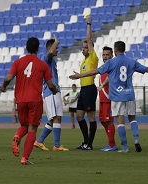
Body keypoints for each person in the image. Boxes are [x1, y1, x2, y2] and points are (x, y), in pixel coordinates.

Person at [69, 41, 148, 152]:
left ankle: (125, 147)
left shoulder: (111, 62)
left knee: (120, 122)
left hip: (117, 96)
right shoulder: (131, 62)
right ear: (124, 49)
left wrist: (79, 75)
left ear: (114, 50)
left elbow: (95, 71)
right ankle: (136, 139)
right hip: (129, 94)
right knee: (132, 118)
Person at [0, 37, 58, 165]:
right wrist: (55, 91)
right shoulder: (42, 64)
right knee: (32, 129)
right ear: (38, 49)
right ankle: (24, 158)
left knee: (24, 126)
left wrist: (4, 85)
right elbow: (50, 84)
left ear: (27, 48)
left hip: (20, 100)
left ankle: (17, 136)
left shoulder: (18, 62)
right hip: (35, 100)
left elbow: (9, 77)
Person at [34, 36, 69, 152]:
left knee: (53, 119)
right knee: (56, 117)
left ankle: (39, 141)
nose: (57, 50)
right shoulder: (46, 58)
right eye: (56, 48)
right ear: (50, 48)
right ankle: (57, 145)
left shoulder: (52, 61)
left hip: (54, 91)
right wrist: (56, 42)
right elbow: (49, 53)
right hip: (51, 91)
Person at [74, 15, 98, 150]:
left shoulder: (93, 58)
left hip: (89, 89)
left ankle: (89, 144)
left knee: (91, 116)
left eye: (85, 47)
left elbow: (89, 39)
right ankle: (86, 141)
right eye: (83, 47)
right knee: (79, 116)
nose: (83, 49)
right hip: (83, 90)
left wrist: (89, 23)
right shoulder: (83, 61)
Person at [98, 47, 118, 152]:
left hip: (108, 99)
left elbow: (109, 78)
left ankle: (111, 145)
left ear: (112, 55)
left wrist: (103, 85)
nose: (105, 57)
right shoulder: (103, 68)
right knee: (103, 121)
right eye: (104, 55)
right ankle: (111, 143)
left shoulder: (112, 66)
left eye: (107, 55)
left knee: (109, 121)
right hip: (102, 98)